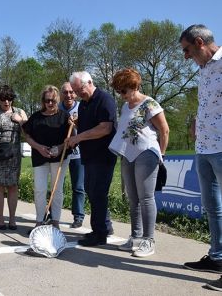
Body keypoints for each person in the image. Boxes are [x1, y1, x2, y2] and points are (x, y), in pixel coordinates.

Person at [178, 25, 222, 291]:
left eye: (186, 50)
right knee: (212, 207)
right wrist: (196, 120)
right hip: (204, 147)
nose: (185, 56)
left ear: (199, 42)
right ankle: (217, 258)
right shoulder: (203, 69)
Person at [109, 68, 169, 257]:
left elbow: (164, 130)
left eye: (124, 91)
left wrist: (162, 155)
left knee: (146, 197)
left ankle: (148, 240)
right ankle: (135, 237)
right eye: (119, 92)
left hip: (147, 153)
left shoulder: (150, 104)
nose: (121, 96)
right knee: (133, 198)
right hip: (128, 154)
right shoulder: (126, 107)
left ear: (134, 86)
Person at [67, 71, 117, 246]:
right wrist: (78, 123)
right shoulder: (83, 104)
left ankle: (99, 233)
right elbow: (90, 125)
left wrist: (78, 138)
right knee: (91, 190)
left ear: (89, 82)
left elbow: (105, 128)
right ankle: (105, 226)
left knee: (98, 193)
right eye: (75, 91)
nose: (79, 94)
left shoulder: (105, 99)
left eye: (80, 90)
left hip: (103, 155)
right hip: (89, 156)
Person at [23, 85, 71, 230]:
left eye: (53, 101)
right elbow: (27, 135)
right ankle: (39, 220)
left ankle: (55, 220)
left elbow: (70, 138)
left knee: (56, 189)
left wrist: (60, 148)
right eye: (47, 100)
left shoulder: (64, 117)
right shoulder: (36, 117)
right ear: (42, 101)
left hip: (59, 157)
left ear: (58, 100)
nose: (50, 104)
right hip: (40, 156)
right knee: (39, 189)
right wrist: (38, 147)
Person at [0, 85, 27, 230]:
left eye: (9, 99)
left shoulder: (20, 112)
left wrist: (20, 121)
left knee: (12, 186)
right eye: (3, 99)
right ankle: (0, 219)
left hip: (14, 156)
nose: (7, 102)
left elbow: (28, 131)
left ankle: (12, 219)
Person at [59, 82, 86, 228]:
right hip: (61, 153)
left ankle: (78, 216)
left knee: (78, 186)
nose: (68, 95)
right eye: (65, 92)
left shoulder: (82, 107)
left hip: (78, 153)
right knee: (57, 186)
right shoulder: (57, 108)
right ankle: (53, 214)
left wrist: (75, 125)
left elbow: (87, 130)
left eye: (71, 92)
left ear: (75, 93)